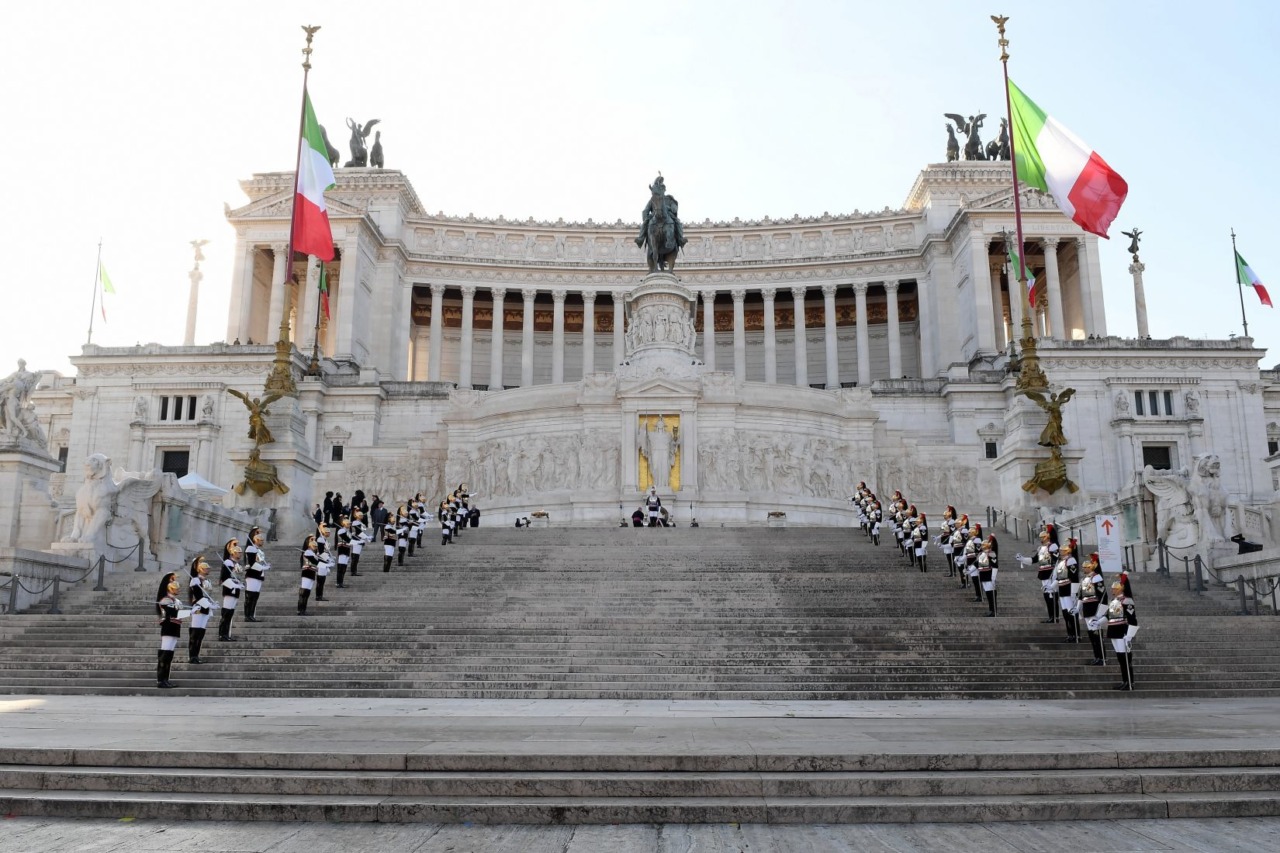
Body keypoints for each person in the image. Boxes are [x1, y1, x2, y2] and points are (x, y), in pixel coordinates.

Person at [155, 572, 187, 689]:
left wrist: (190, 611)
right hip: (168, 626)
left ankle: (166, 679)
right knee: (165, 653)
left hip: (175, 627)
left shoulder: (176, 601)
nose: (178, 590)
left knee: (169, 654)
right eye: (176, 588)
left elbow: (180, 612)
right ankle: (161, 680)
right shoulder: (165, 600)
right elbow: (173, 613)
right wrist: (191, 612)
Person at [1106, 578, 1139, 690]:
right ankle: (1124, 680)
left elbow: (1132, 619)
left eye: (1114, 588)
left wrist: (1129, 634)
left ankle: (1129, 682)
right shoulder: (1113, 601)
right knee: (1120, 658)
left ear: (1120, 589)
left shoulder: (1127, 601)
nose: (1112, 590)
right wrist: (1099, 621)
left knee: (1125, 658)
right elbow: (1108, 616)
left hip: (1122, 630)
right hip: (1113, 630)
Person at [1079, 553, 1109, 666]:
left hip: (1095, 608)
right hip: (1087, 608)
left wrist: (1100, 612)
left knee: (1097, 635)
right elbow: (1081, 595)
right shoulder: (1085, 579)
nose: (1083, 569)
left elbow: (1103, 596)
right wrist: (1078, 608)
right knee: (1092, 635)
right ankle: (1097, 656)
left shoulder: (1096, 578)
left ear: (1090, 567)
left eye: (1085, 567)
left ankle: (1102, 657)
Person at [187, 556, 215, 664]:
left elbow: (208, 595)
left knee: (201, 633)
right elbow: (198, 596)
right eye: (206, 568)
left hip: (206, 607)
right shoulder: (195, 580)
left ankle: (196, 655)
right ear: (200, 569)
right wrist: (210, 605)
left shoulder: (207, 581)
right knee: (195, 632)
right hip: (198, 607)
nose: (208, 570)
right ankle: (192, 656)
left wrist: (211, 604)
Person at [218, 539, 244, 642]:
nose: (240, 554)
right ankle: (222, 634)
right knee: (226, 613)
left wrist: (239, 584)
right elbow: (225, 578)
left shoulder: (236, 563)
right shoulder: (228, 562)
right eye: (238, 552)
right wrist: (234, 585)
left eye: (240, 552)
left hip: (235, 590)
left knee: (230, 613)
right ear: (233, 553)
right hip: (229, 590)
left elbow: (237, 577)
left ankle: (227, 634)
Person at [242, 526, 270, 622]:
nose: (262, 541)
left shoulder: (258, 550)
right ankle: (247, 615)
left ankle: (251, 615)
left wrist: (264, 567)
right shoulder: (250, 548)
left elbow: (260, 561)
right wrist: (263, 568)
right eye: (260, 539)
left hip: (258, 574)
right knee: (250, 596)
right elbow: (252, 563)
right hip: (252, 574)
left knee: (255, 596)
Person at [1055, 541, 1081, 643]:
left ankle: (1076, 634)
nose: (1060, 552)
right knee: (1065, 613)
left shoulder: (1071, 560)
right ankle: (1070, 634)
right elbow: (1058, 577)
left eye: (1062, 551)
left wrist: (1074, 592)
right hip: (1062, 588)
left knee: (1071, 612)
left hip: (1069, 588)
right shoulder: (1061, 562)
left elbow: (1074, 577)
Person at [298, 534, 320, 615]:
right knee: (303, 592)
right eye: (311, 539)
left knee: (307, 593)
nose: (314, 541)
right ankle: (300, 610)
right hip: (307, 572)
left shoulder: (313, 553)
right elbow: (315, 562)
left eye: (314, 539)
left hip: (312, 573)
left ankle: (303, 609)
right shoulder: (307, 552)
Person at [978, 535, 999, 616]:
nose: (981, 547)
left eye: (983, 545)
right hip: (983, 575)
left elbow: (995, 566)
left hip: (989, 575)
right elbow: (977, 564)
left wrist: (993, 577)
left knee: (991, 594)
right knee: (988, 594)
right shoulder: (981, 554)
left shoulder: (991, 554)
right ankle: (991, 609)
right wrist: (969, 571)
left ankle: (994, 610)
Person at [334, 515, 353, 589]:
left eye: (349, 524)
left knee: (344, 567)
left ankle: (341, 582)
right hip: (342, 549)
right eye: (348, 524)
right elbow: (347, 539)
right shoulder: (341, 530)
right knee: (341, 567)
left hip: (347, 549)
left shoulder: (348, 531)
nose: (349, 525)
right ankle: (338, 583)